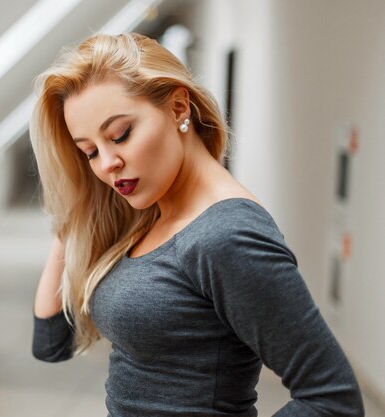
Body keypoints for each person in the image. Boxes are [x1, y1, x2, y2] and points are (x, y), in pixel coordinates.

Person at [29, 32, 364, 416]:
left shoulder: (227, 235)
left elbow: (333, 400)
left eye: (120, 135)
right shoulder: (151, 215)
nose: (107, 164)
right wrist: (78, 206)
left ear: (177, 108)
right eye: (89, 151)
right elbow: (52, 341)